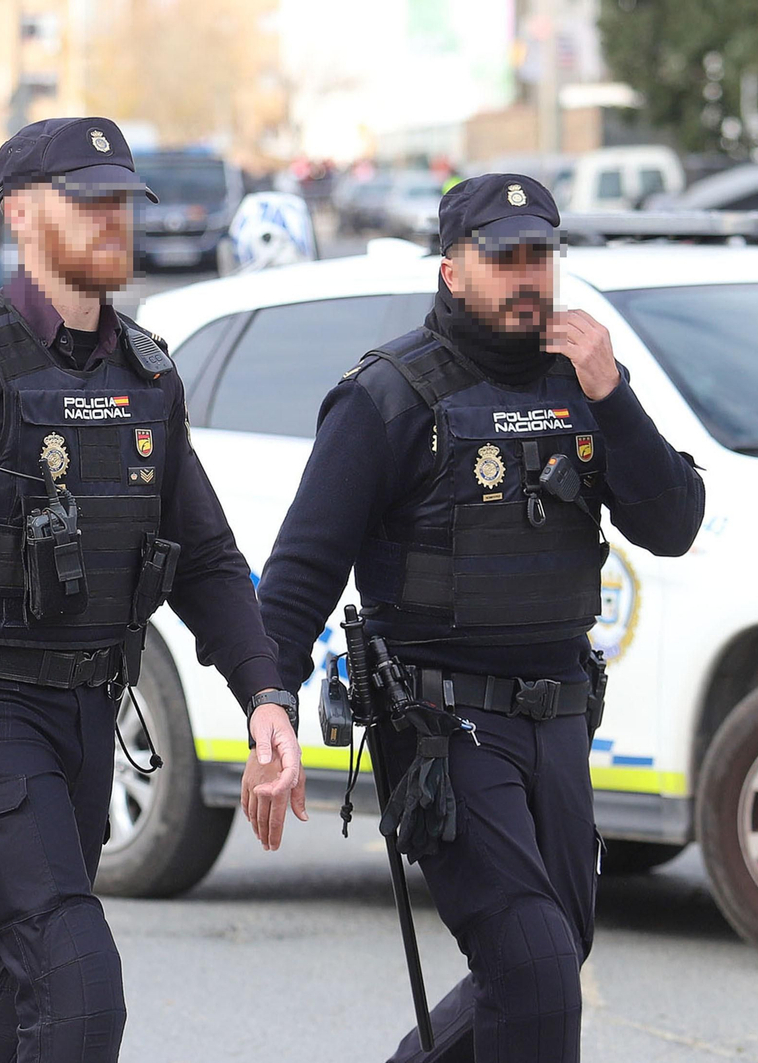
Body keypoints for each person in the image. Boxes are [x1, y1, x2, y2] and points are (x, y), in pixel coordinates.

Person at [0, 116, 300, 1061]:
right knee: (78, 985)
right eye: (85, 201)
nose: (111, 221)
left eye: (121, 203)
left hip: (94, 706)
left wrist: (263, 689)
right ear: (17, 213)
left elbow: (207, 554)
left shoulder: (146, 373)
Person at [251, 174, 705, 1062]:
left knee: (546, 956)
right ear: (454, 269)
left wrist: (614, 395)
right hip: (442, 724)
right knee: (533, 965)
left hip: (561, 715)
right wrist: (271, 705)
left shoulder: (583, 382)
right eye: (504, 257)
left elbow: (674, 523)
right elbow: (302, 568)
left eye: (540, 255)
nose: (527, 275)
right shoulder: (387, 395)